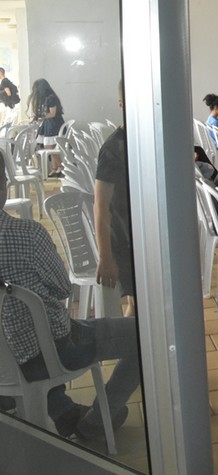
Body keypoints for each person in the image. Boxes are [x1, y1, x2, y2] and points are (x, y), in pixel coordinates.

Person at [0, 149, 141, 441]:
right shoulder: (28, 234)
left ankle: (64, 411)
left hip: (4, 364)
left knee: (25, 338)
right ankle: (98, 420)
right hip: (51, 353)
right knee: (145, 336)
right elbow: (63, 289)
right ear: (4, 184)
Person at [94, 80, 136, 316]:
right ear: (121, 104)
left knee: (141, 303)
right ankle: (129, 340)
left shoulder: (148, 140)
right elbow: (101, 206)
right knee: (138, 304)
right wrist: (106, 256)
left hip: (143, 234)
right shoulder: (113, 148)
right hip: (124, 239)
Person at [27, 78, 64, 175]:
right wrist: (37, 117)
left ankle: (60, 167)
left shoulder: (51, 99)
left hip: (54, 126)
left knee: (49, 147)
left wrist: (40, 116)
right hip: (50, 125)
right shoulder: (48, 98)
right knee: (50, 147)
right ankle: (55, 168)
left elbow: (52, 114)